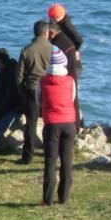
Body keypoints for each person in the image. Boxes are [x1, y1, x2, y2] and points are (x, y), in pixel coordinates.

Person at [38, 47, 77, 205]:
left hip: (52, 124)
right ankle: (64, 197)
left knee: (50, 161)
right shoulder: (70, 81)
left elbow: (38, 99)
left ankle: (48, 199)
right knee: (67, 161)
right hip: (69, 123)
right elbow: (72, 98)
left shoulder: (42, 81)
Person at [16, 20, 52, 164]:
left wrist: (21, 90)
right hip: (50, 90)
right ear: (46, 33)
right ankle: (50, 153)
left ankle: (28, 156)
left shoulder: (26, 50)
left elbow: (19, 75)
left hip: (31, 89)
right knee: (50, 123)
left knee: (31, 124)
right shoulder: (54, 49)